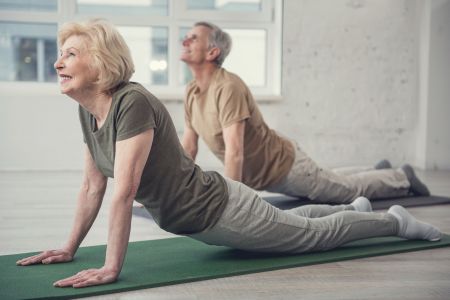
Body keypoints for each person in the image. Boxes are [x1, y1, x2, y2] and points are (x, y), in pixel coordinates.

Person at [16, 19, 441, 289]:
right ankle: (358, 209)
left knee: (313, 238)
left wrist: (111, 268)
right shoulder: (90, 114)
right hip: (210, 212)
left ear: (102, 59)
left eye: (70, 53)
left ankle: (393, 221)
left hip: (219, 210)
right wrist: (69, 247)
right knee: (290, 222)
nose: (57, 63)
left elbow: (123, 193)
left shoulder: (132, 102)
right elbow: (93, 185)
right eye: (59, 54)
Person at [180, 21, 430, 204]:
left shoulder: (228, 87)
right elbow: (189, 147)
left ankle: (401, 177)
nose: (185, 41)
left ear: (213, 52)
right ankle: (377, 170)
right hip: (272, 171)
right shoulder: (193, 91)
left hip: (285, 167)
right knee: (329, 178)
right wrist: (174, 187)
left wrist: (230, 203)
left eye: (193, 38)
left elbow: (235, 152)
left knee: (347, 191)